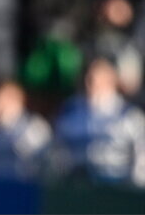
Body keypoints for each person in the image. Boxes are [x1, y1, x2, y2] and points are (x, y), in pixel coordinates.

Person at [52, 55, 145, 187]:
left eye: (97, 78)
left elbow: (141, 158)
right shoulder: (70, 110)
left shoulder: (130, 116)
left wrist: (133, 189)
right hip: (78, 186)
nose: (91, 83)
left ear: (112, 79)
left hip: (117, 187)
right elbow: (58, 149)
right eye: (89, 78)